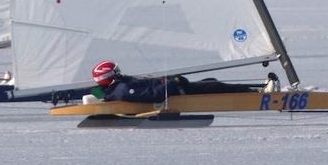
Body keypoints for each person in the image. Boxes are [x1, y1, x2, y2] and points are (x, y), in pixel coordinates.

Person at [90, 60, 260, 103]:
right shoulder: (123, 89)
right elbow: (154, 95)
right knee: (215, 86)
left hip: (177, 87)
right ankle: (254, 94)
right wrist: (174, 83)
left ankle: (251, 89)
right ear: (109, 76)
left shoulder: (120, 85)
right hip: (178, 92)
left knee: (210, 81)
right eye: (116, 72)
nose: (120, 73)